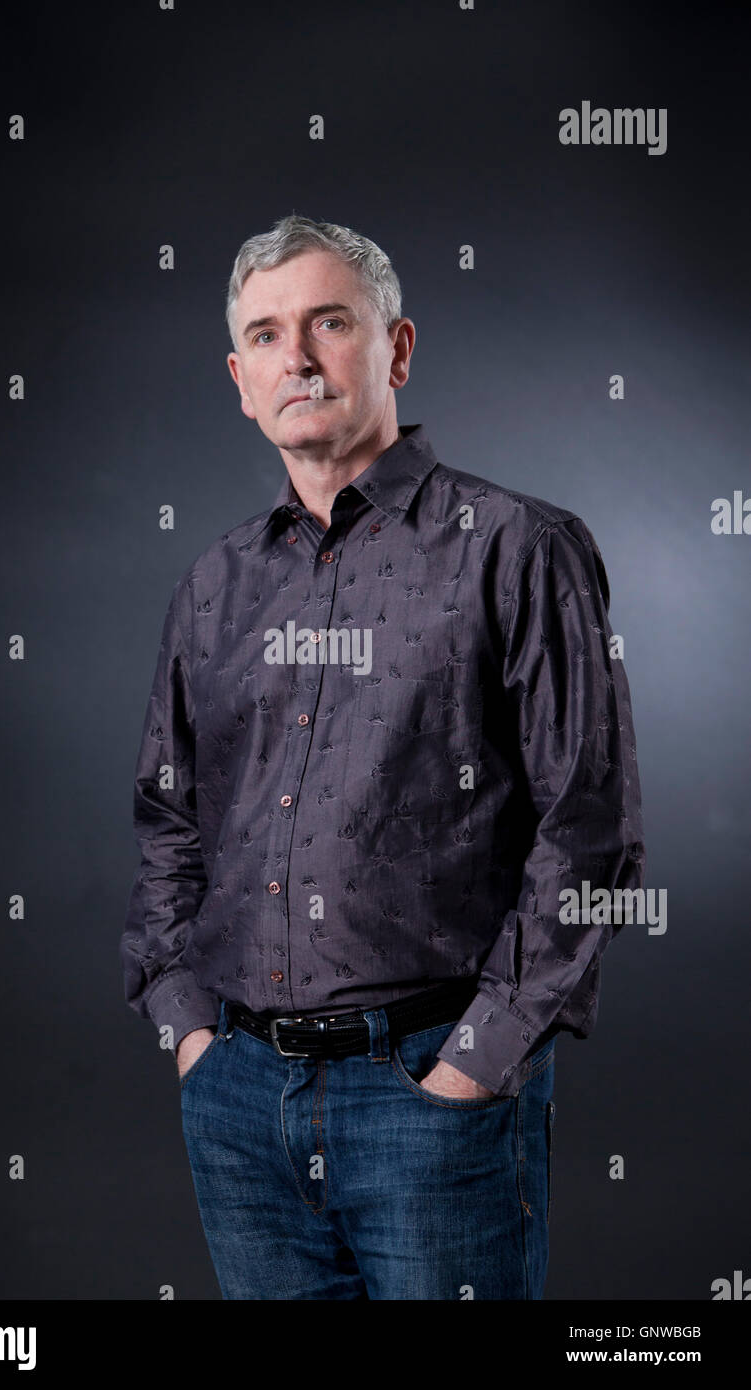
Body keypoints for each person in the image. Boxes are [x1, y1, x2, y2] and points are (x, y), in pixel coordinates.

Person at [120, 213, 646, 1300]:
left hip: (426, 1097)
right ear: (238, 376)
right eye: (265, 335)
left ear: (395, 348)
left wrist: (471, 1067)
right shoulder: (215, 587)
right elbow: (169, 815)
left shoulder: (515, 549)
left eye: (327, 322)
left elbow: (584, 832)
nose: (296, 358)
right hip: (239, 1103)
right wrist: (187, 1031)